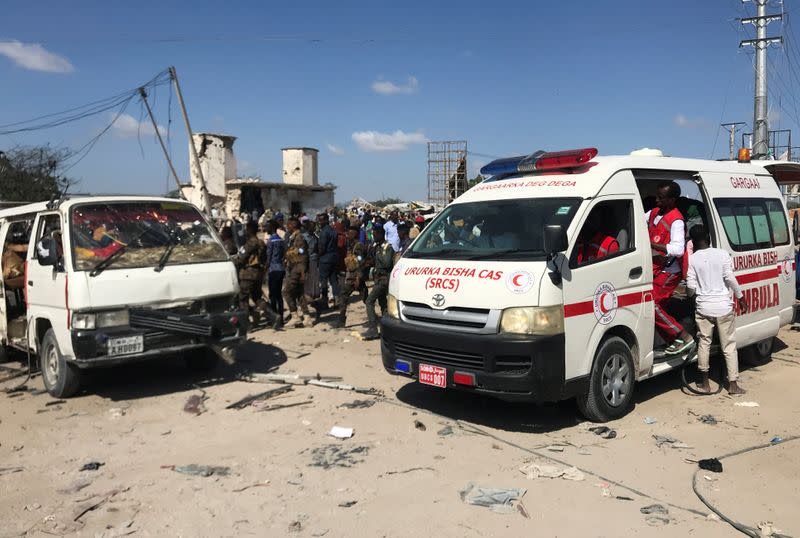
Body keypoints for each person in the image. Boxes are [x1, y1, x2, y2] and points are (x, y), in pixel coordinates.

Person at [686, 225, 748, 395]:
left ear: (692, 241)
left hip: (704, 307)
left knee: (704, 342)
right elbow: (729, 277)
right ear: (708, 238)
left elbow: (691, 286)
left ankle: (705, 384)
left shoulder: (693, 259)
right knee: (728, 345)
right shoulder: (722, 254)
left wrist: (690, 296)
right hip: (723, 307)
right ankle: (733, 385)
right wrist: (740, 297)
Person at [646, 181, 694, 355]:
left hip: (669, 270)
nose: (657, 200)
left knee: (652, 303)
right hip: (655, 267)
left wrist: (651, 245)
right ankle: (672, 341)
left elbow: (678, 249)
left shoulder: (676, 221)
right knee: (658, 307)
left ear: (672, 199)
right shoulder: (654, 213)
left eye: (661, 198)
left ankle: (683, 337)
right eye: (657, 196)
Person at [233, 221, 269, 324]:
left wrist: (233, 262)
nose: (245, 231)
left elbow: (241, 259)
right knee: (257, 297)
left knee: (242, 298)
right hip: (258, 273)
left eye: (247, 229)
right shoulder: (261, 242)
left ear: (250, 230)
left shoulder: (250, 243)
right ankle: (273, 315)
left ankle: (245, 323)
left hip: (248, 274)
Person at [362, 227, 394, 340]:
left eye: (375, 235)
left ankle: (373, 328)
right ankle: (387, 329)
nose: (374, 237)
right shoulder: (377, 247)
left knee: (369, 301)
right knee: (383, 304)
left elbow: (386, 263)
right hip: (378, 278)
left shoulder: (387, 248)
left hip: (384, 279)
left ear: (381, 235)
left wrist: (378, 255)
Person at [282, 217, 312, 328]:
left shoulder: (299, 238)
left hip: (297, 269)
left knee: (286, 292)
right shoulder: (293, 237)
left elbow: (303, 256)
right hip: (294, 268)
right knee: (299, 293)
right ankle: (307, 317)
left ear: (293, 225)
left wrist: (303, 273)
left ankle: (295, 316)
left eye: (288, 224)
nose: (287, 226)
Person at [335, 226, 366, 328]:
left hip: (355, 276)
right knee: (366, 298)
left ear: (355, 234)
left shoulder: (358, 246)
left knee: (344, 295)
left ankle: (341, 319)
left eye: (350, 233)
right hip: (351, 275)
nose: (348, 235)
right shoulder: (350, 245)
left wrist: (358, 278)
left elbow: (360, 262)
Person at [264, 220, 286, 329]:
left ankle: (274, 318)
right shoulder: (281, 240)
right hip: (281, 269)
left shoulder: (271, 241)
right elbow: (283, 255)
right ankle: (281, 318)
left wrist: (264, 270)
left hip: (273, 269)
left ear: (272, 228)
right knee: (279, 295)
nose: (265, 229)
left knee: (272, 295)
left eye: (267, 227)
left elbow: (268, 258)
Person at [317, 212, 340, 310]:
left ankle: (324, 301)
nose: (319, 222)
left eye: (321, 220)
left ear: (326, 220)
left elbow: (322, 248)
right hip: (334, 258)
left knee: (323, 281)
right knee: (334, 280)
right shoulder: (333, 231)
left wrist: (318, 256)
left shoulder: (323, 232)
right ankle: (337, 300)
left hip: (325, 259)